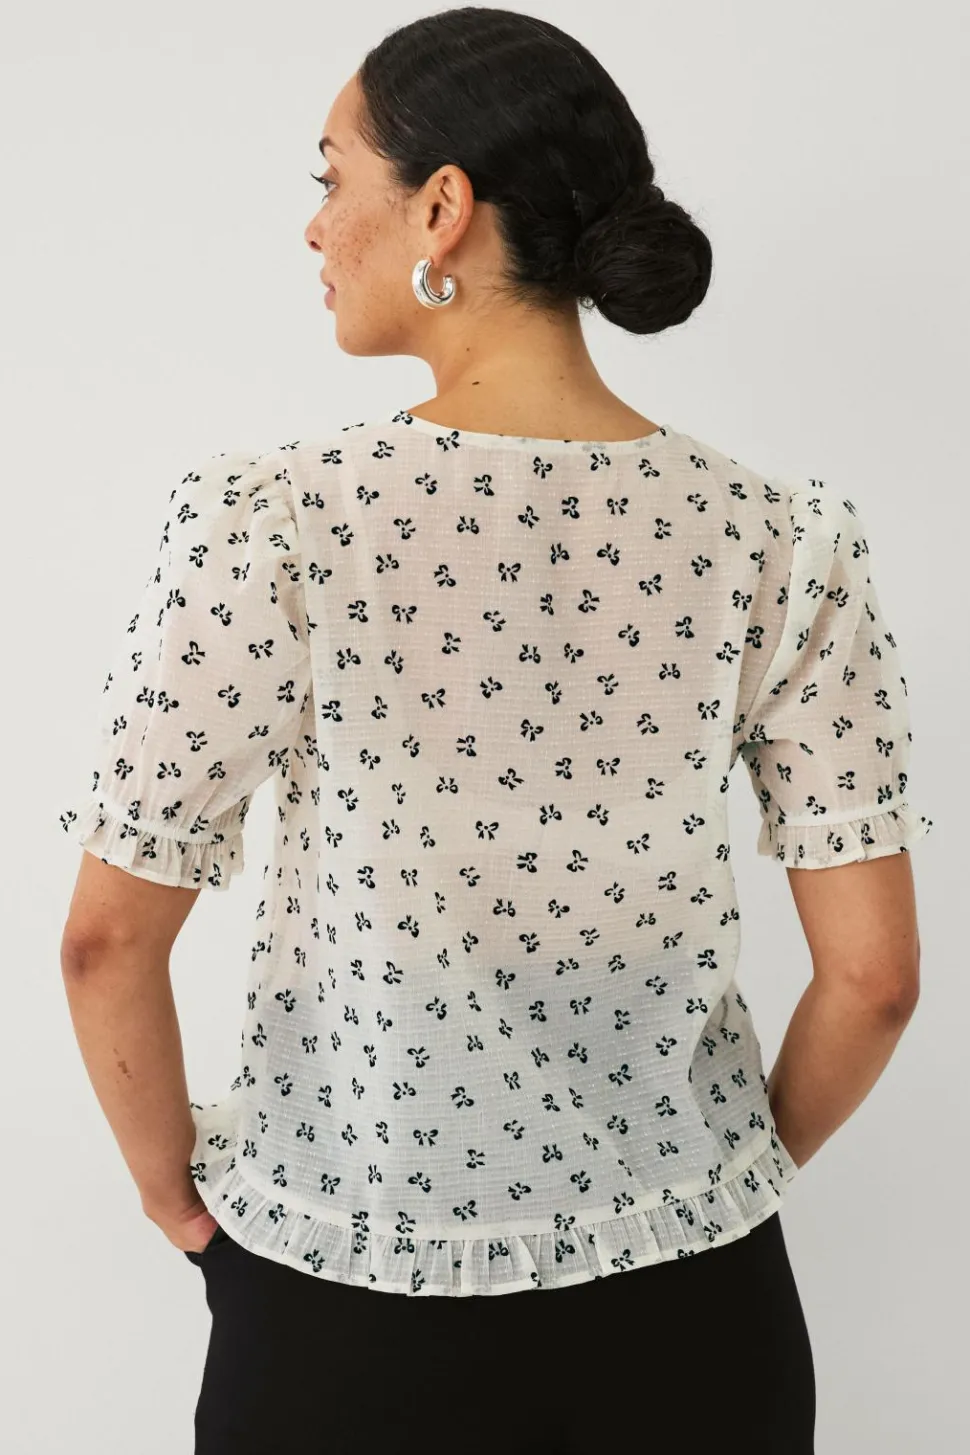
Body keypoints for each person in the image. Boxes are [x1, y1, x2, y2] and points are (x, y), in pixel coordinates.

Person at [57, 9, 932, 1453]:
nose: (313, 225)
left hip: (347, 1300)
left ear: (442, 207)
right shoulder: (782, 536)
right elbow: (875, 979)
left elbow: (106, 940)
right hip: (699, 1310)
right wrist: (721, 1179)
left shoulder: (275, 521)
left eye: (331, 175)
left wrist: (180, 1206)